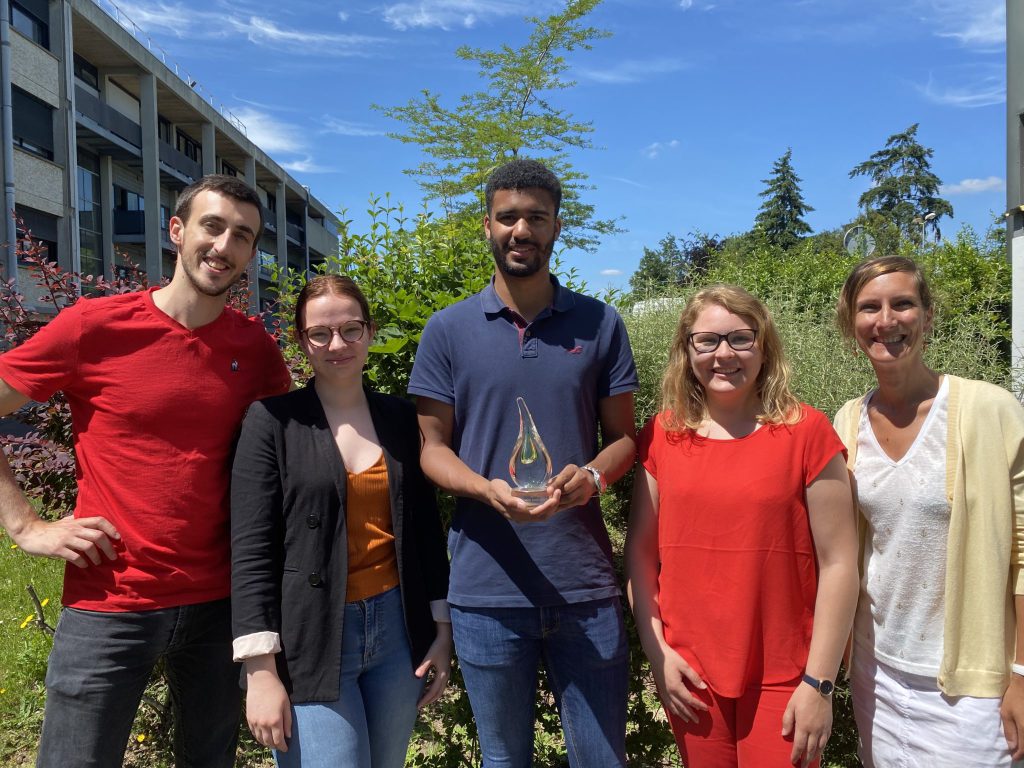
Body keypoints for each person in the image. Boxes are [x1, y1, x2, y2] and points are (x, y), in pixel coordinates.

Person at [0, 174, 292, 767]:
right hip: (111, 599)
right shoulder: (92, 326)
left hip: (220, 605)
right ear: (177, 231)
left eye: (242, 236)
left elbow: (286, 458)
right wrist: (26, 525)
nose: (224, 246)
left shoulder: (256, 350)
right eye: (213, 226)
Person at [408, 158, 638, 767]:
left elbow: (624, 439)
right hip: (486, 588)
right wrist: (484, 489)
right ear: (487, 225)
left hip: (583, 585)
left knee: (602, 760)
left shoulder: (600, 323)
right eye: (508, 216)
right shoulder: (447, 330)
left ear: (557, 227)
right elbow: (432, 450)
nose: (521, 230)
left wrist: (593, 477)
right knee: (504, 759)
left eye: (536, 217)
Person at [626, 284, 859, 768]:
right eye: (707, 340)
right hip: (690, 675)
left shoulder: (807, 432)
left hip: (787, 678)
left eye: (740, 338)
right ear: (687, 350)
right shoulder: (663, 435)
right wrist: (658, 652)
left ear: (764, 346)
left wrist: (819, 683)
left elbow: (840, 564)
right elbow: (641, 557)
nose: (724, 354)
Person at [230, 274, 452, 767]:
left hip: (397, 632)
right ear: (301, 341)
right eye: (320, 333)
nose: (337, 345)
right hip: (311, 634)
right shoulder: (272, 421)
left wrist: (441, 630)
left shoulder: (401, 419)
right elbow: (251, 551)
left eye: (351, 329)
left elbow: (424, 533)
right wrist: (261, 670)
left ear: (369, 331)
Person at [833, 255, 1024, 767]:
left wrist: (1022, 674)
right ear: (850, 321)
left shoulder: (990, 410)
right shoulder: (848, 421)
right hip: (876, 672)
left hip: (972, 689)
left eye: (903, 304)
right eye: (869, 307)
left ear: (928, 314)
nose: (886, 320)